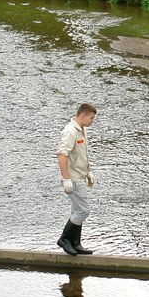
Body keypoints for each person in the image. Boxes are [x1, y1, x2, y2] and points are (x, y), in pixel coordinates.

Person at [57, 103, 97, 256]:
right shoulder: (70, 132)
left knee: (76, 210)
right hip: (73, 178)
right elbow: (62, 154)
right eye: (91, 118)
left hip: (80, 175)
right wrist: (66, 179)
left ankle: (75, 243)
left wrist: (89, 171)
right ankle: (64, 239)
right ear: (83, 116)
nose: (92, 121)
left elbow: (82, 154)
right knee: (83, 210)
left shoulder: (82, 130)